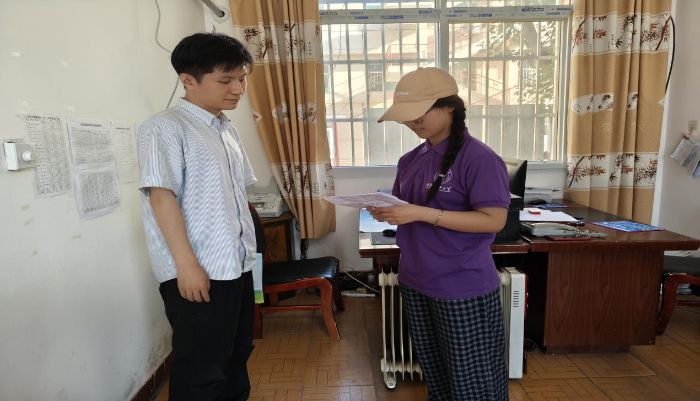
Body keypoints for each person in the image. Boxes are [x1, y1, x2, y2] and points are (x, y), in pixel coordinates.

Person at [370, 67, 510, 401]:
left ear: (449, 107)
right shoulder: (410, 160)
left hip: (462, 285)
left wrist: (421, 213)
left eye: (419, 113)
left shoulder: (479, 159)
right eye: (407, 116)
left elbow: (494, 220)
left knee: (472, 383)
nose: (412, 122)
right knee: (436, 373)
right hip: (416, 280)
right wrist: (388, 211)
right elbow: (405, 207)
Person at [137, 32, 257, 401]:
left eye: (242, 78)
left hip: (236, 266)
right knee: (201, 370)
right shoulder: (164, 127)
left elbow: (237, 196)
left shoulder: (226, 128)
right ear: (188, 80)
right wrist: (186, 266)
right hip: (198, 271)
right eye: (226, 80)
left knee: (237, 355)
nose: (238, 89)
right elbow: (162, 198)